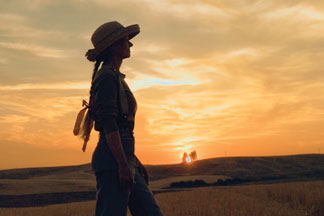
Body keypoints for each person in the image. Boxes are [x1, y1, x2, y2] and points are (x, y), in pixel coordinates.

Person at [73, 21, 164, 216]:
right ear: (113, 46)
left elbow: (120, 125)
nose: (130, 45)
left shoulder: (114, 77)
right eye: (125, 40)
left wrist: (133, 161)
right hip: (113, 158)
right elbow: (109, 123)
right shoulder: (106, 77)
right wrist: (123, 164)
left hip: (123, 156)